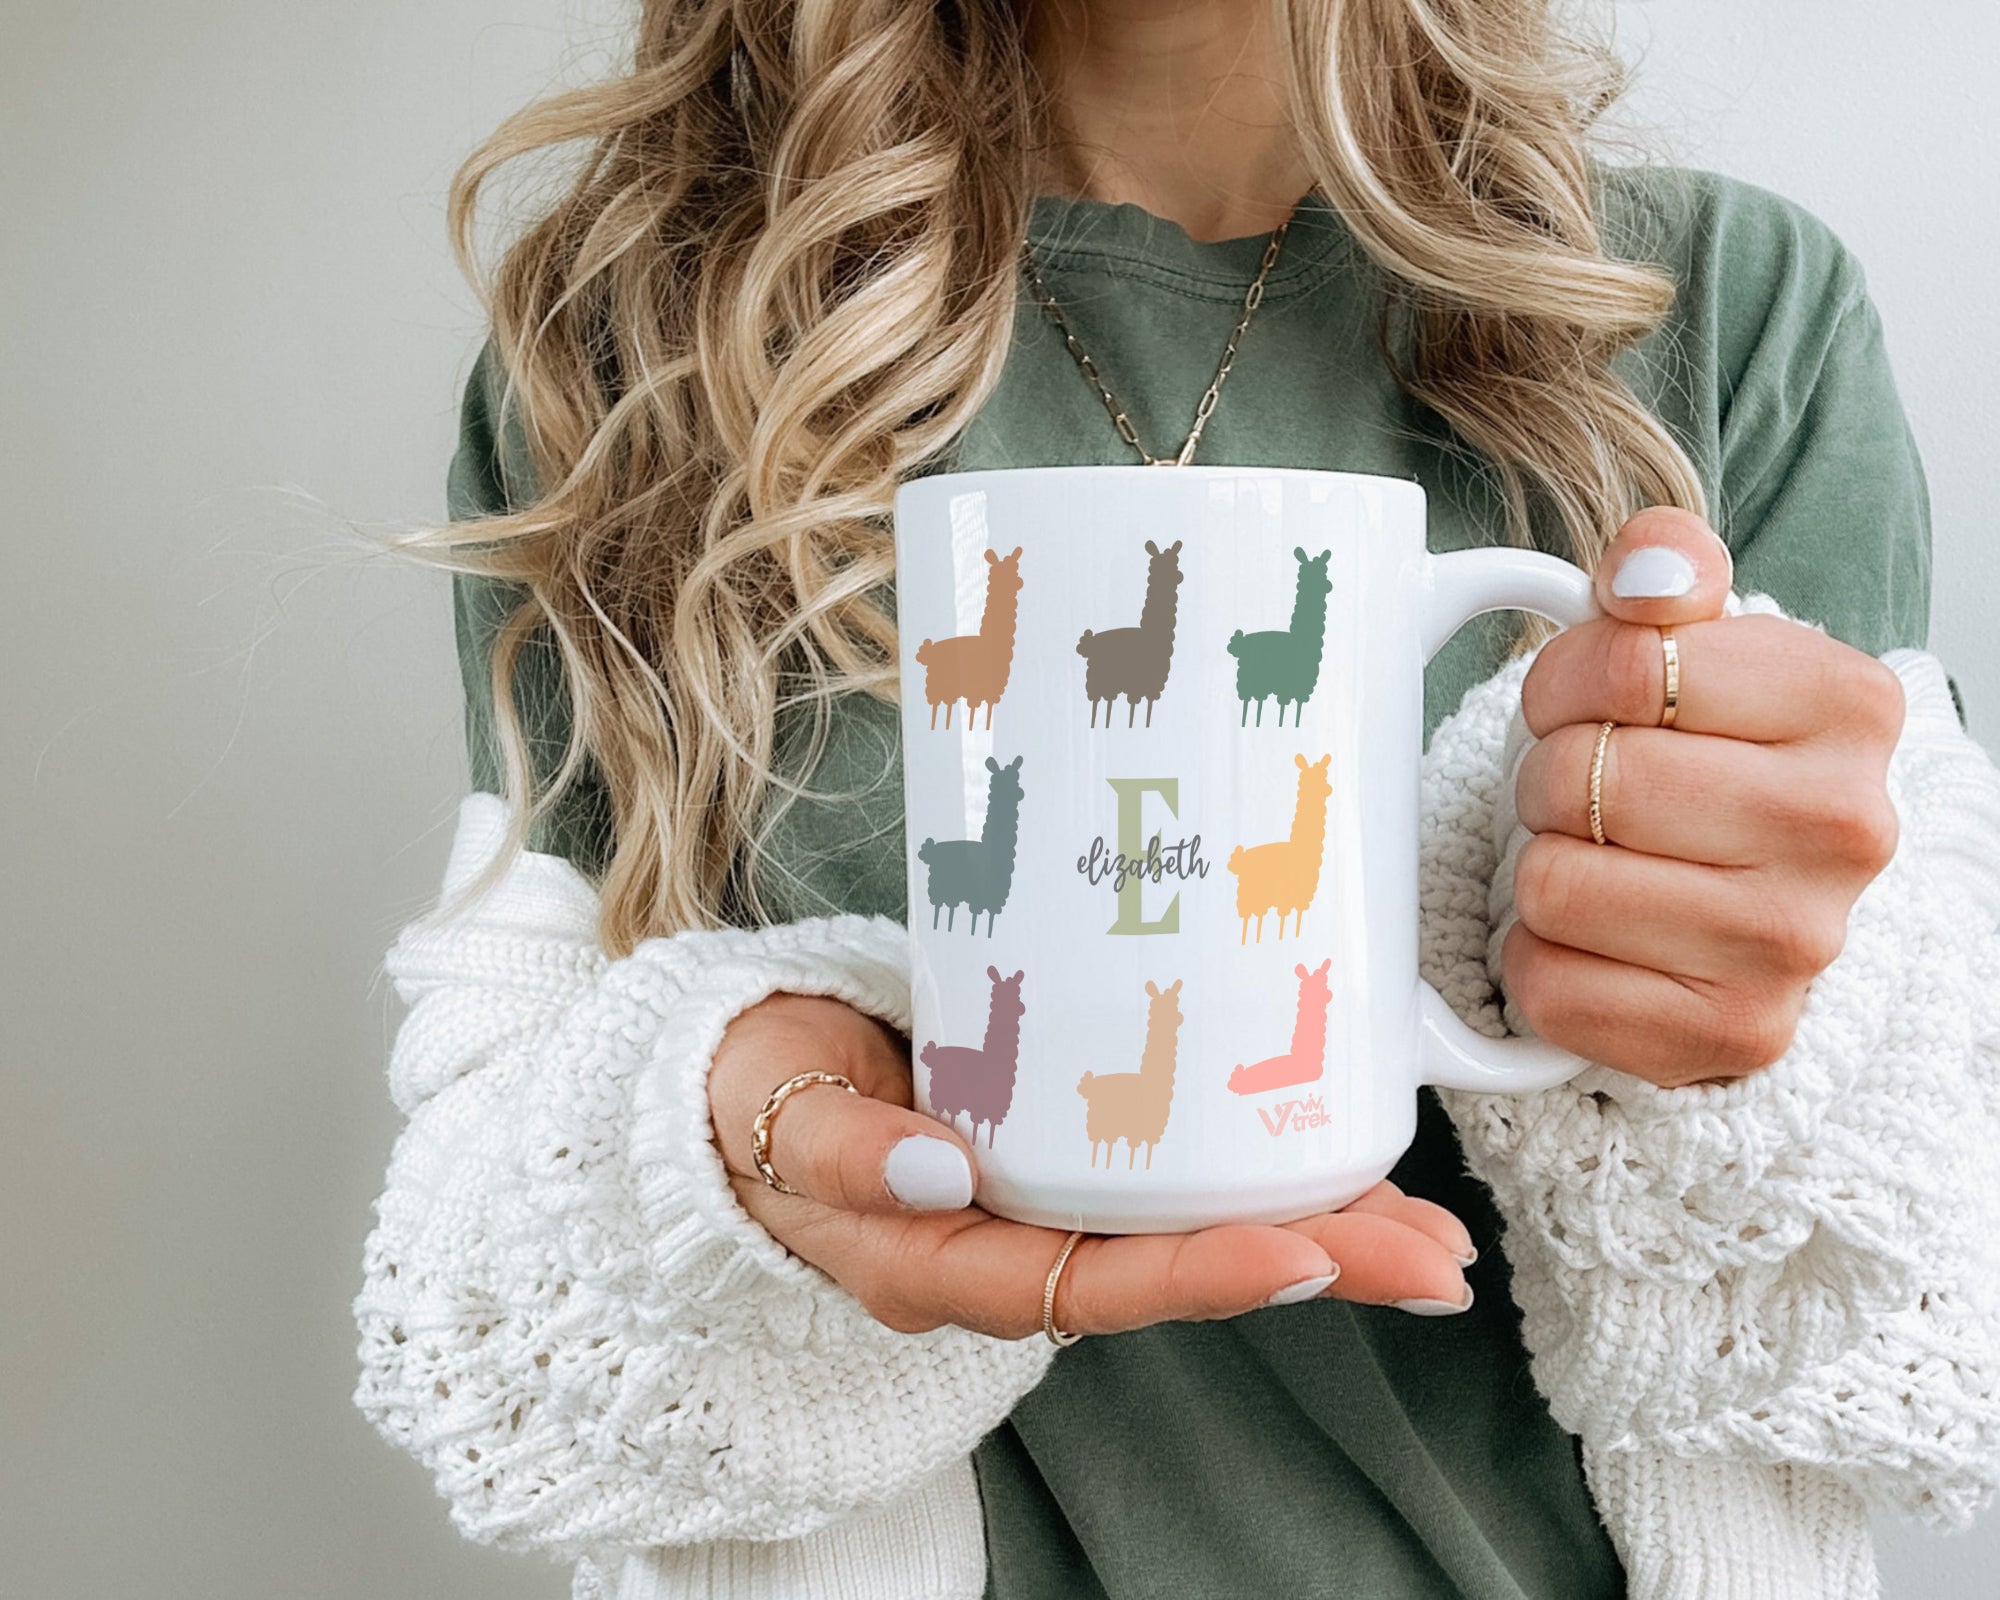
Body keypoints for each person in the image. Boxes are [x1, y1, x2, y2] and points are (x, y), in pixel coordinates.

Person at [351, 0, 2000, 1595]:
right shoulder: (637, 352)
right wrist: (706, 1162)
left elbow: (1920, 1272)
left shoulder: (1712, 313)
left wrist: (1757, 1012)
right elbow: (485, 1265)